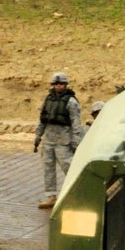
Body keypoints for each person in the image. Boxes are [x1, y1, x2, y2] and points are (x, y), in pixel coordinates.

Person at [33, 71, 83, 209]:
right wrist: (38, 135)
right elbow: (42, 119)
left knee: (69, 167)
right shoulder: (48, 99)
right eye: (56, 84)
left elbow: (76, 123)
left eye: (61, 84)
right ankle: (51, 196)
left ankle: (78, 193)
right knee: (48, 169)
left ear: (66, 85)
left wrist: (76, 142)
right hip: (48, 140)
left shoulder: (71, 102)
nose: (59, 86)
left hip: (63, 141)